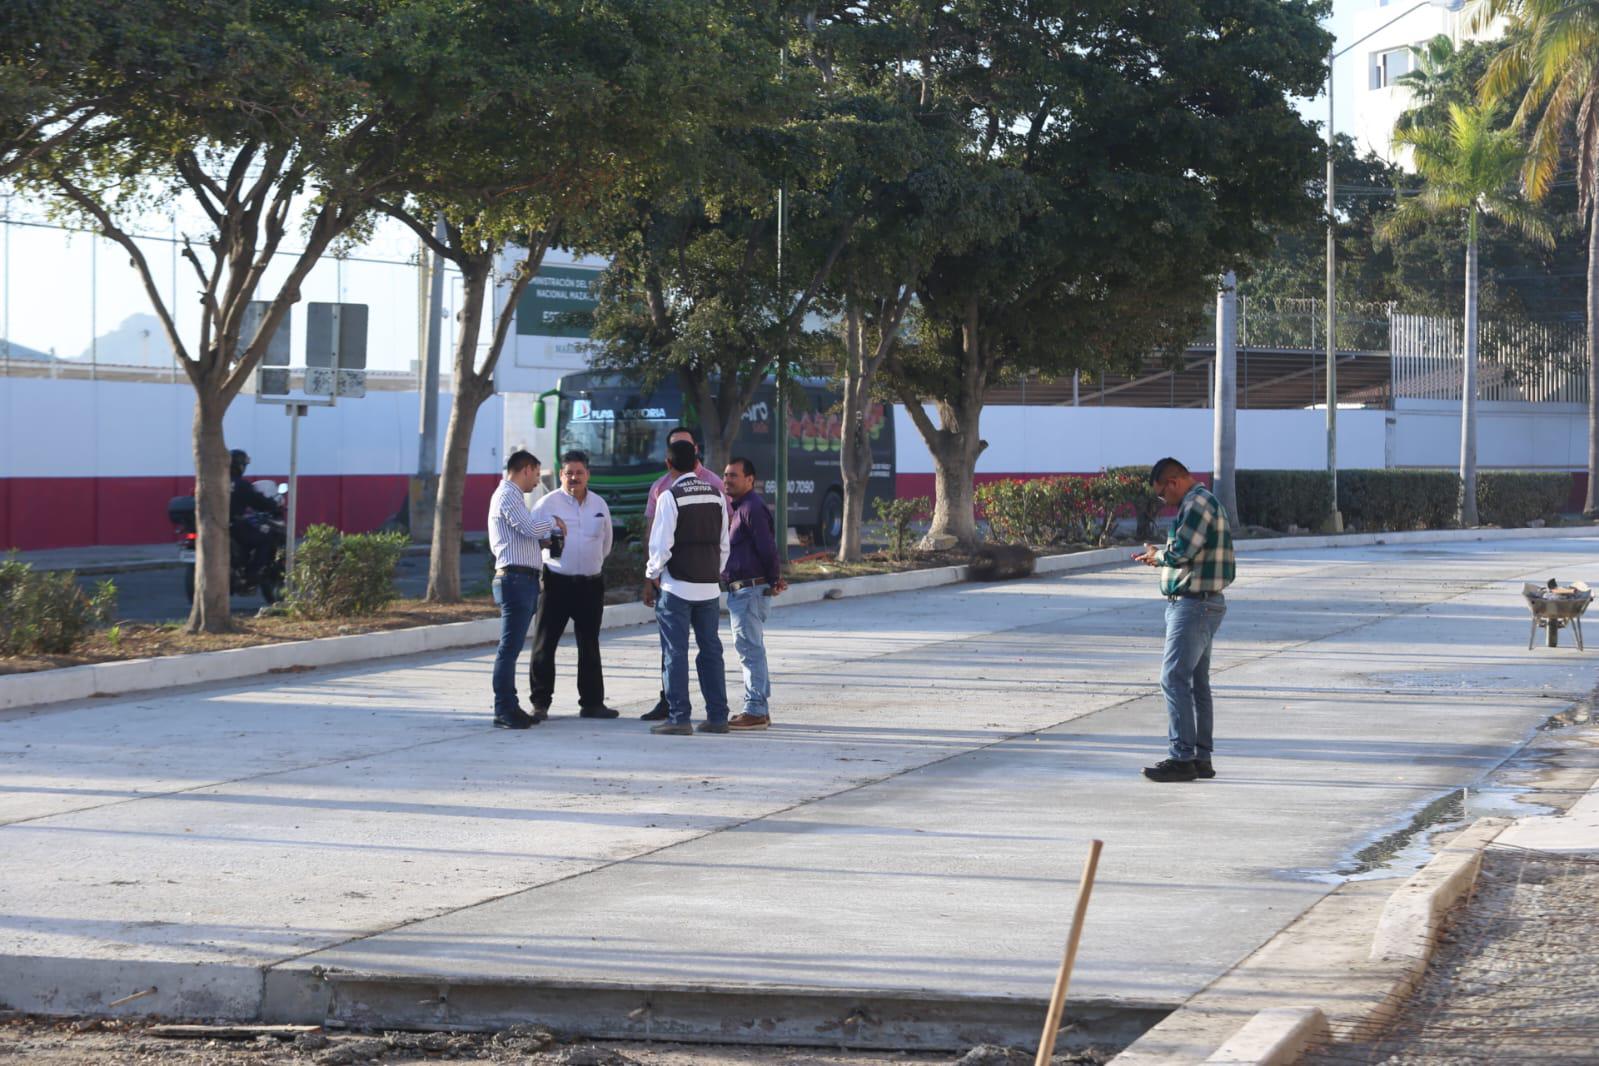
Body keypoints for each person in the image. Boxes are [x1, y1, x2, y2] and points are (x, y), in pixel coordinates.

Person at [1133, 457, 1235, 782]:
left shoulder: (1195, 503)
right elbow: (1189, 549)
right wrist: (1162, 552)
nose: (1163, 501)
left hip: (1194, 605)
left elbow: (1181, 554)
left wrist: (1157, 556)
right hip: (1205, 603)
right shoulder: (1204, 502)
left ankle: (1182, 758)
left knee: (1173, 679)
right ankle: (1201, 757)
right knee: (1197, 683)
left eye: (1163, 494)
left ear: (1173, 482)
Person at [639, 426, 726, 722]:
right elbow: (724, 543)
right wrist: (716, 572)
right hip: (709, 588)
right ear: (696, 460)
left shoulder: (669, 495)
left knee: (676, 653)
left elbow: (660, 546)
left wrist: (653, 576)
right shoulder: (716, 493)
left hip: (676, 588)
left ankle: (679, 718)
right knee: (711, 651)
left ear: (669, 464)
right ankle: (717, 717)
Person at [528, 450, 619, 719]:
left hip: (590, 585)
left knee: (589, 644)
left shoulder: (599, 505)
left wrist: (590, 565)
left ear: (588, 475)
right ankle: (540, 703)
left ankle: (592, 703)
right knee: (545, 644)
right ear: (561, 475)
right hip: (556, 583)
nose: (574, 478)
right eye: (569, 473)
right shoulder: (546, 505)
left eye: (579, 473)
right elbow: (533, 540)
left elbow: (606, 543)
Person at [487, 450, 564, 730]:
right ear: (527, 469)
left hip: (523, 580)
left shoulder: (512, 497)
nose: (536, 482)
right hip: (515, 581)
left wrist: (542, 545)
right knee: (508, 649)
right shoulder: (507, 494)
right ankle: (503, 709)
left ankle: (511, 705)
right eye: (536, 474)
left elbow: (523, 535)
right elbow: (530, 526)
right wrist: (554, 523)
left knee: (513, 647)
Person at [721, 456, 786, 730]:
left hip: (749, 591)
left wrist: (774, 579)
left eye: (734, 475)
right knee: (752, 649)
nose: (727, 480)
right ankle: (759, 708)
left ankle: (755, 709)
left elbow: (767, 547)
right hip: (743, 591)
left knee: (750, 651)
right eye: (725, 475)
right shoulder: (741, 508)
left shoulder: (751, 508)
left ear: (750, 480)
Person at [229, 449, 280, 573]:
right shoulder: (241, 484)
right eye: (244, 465)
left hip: (218, 524)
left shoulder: (215, 482)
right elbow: (257, 501)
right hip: (234, 525)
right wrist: (273, 504)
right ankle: (251, 575)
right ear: (239, 466)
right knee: (266, 538)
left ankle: (241, 565)